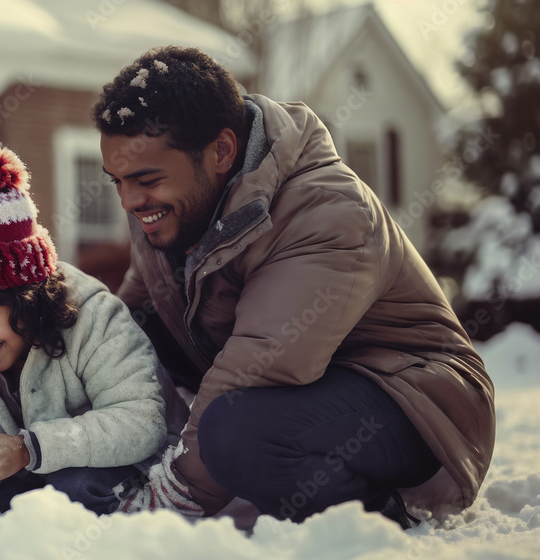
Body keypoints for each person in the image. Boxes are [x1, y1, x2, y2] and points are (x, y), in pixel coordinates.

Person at [92, 46, 495, 527]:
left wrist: (172, 496)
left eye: (145, 179)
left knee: (236, 434)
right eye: (116, 181)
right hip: (303, 388)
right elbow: (128, 326)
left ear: (222, 151)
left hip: (413, 402)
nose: (130, 202)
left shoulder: (325, 211)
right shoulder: (170, 211)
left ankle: (375, 517)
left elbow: (261, 366)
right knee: (120, 338)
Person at [0, 147, 181, 515]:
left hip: (146, 476)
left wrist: (29, 449)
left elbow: (142, 424)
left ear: (28, 299)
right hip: (42, 479)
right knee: (1, 501)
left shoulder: (96, 318)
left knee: (73, 487)